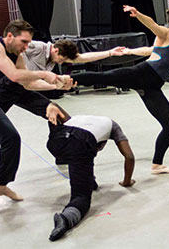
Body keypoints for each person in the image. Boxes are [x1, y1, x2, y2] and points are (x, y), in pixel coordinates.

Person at [71, 5, 169, 175]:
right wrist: (138, 14)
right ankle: (66, 80)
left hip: (151, 87)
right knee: (104, 77)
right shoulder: (166, 33)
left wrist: (129, 51)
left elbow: (149, 51)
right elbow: (152, 25)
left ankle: (157, 165)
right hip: (142, 75)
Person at [0, 36, 125, 150]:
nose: (61, 63)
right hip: (6, 87)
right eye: (62, 59)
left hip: (26, 88)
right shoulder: (36, 47)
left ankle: (62, 151)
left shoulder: (56, 57)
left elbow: (81, 58)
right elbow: (7, 41)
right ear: (56, 50)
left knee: (60, 116)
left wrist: (110, 53)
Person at [0, 20, 63, 214]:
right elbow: (14, 76)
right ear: (9, 36)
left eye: (28, 43)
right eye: (23, 42)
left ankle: (1, 184)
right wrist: (43, 74)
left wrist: (55, 85)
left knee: (11, 138)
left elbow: (27, 84)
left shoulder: (17, 55)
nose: (26, 47)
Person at [45, 102, 135, 241]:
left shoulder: (76, 118)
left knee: (78, 156)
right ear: (103, 144)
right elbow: (129, 157)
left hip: (56, 142)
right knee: (81, 197)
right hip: (80, 144)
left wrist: (51, 107)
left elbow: (55, 108)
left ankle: (88, 179)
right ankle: (66, 219)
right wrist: (127, 182)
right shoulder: (114, 127)